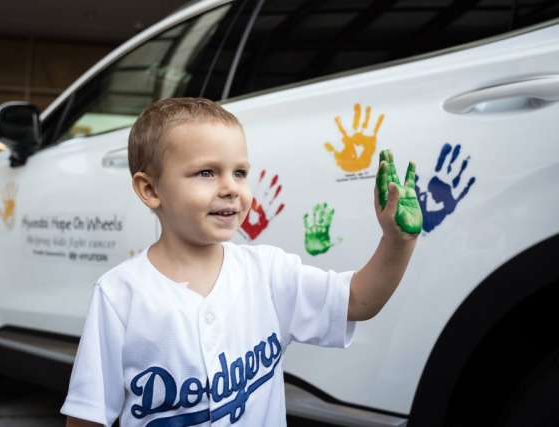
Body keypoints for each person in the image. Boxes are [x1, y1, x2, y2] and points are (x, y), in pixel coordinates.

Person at [60, 98, 422, 427]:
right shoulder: (119, 294)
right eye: (206, 172)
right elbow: (87, 415)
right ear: (150, 190)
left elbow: (358, 301)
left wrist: (397, 241)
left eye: (240, 173)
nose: (231, 187)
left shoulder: (268, 271)